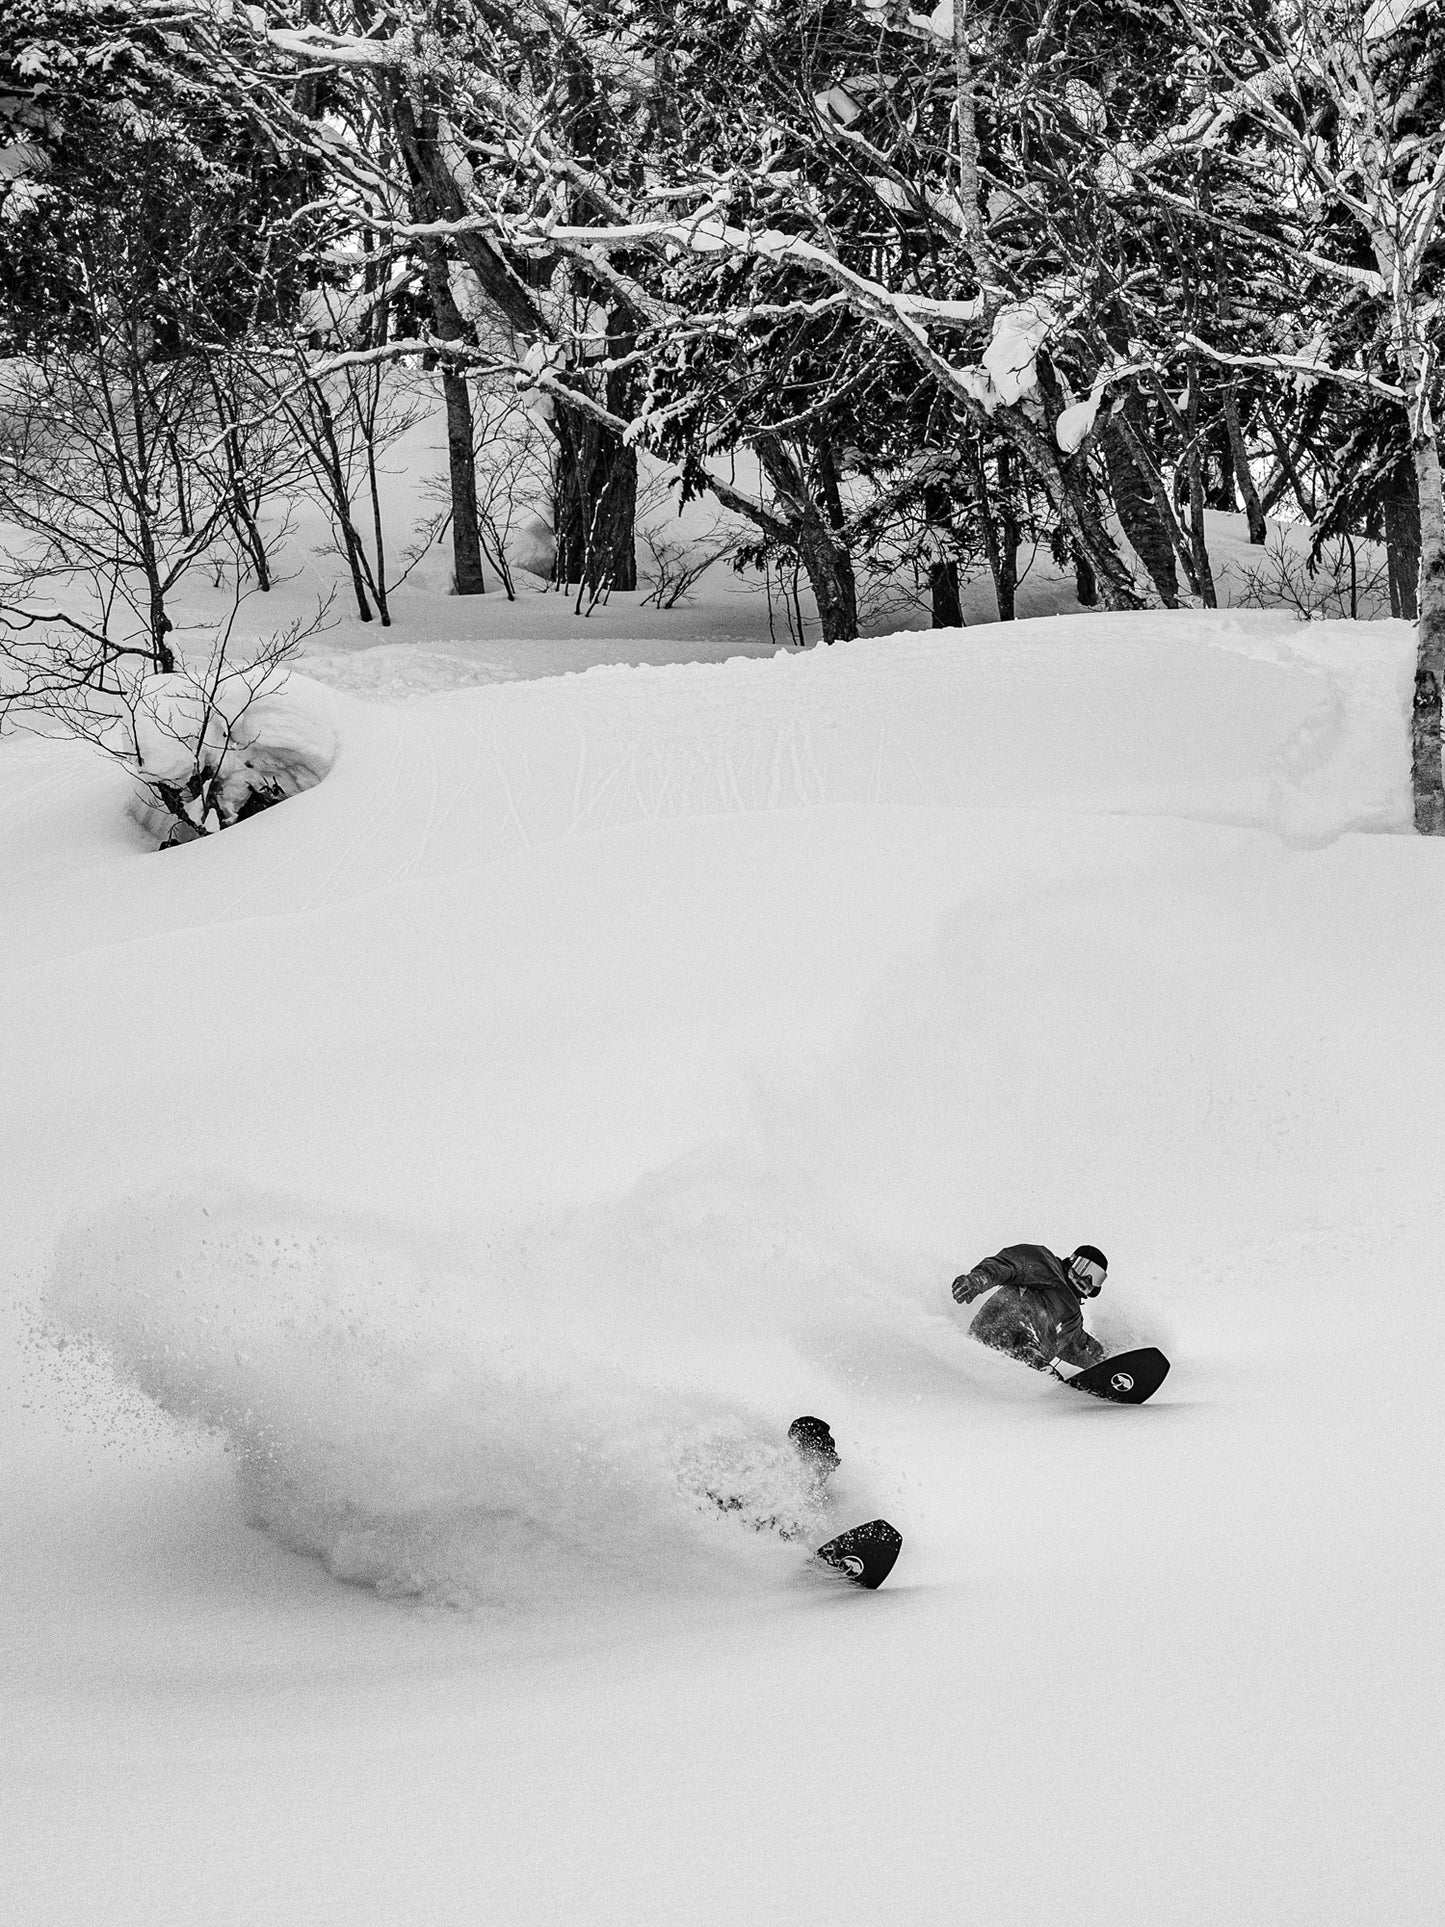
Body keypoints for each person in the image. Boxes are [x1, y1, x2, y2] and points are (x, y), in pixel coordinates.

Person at [951, 1243, 1108, 1372]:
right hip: (1000, 1328)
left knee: (1056, 1366)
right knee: (1030, 1332)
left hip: (1022, 1362)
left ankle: (1037, 1373)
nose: (1086, 1278)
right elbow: (1008, 1266)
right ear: (1072, 1261)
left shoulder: (1073, 1321)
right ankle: (1030, 1359)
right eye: (1084, 1268)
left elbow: (1078, 1346)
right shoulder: (1045, 1265)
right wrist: (977, 1280)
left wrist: (1105, 1364)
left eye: (1096, 1278)